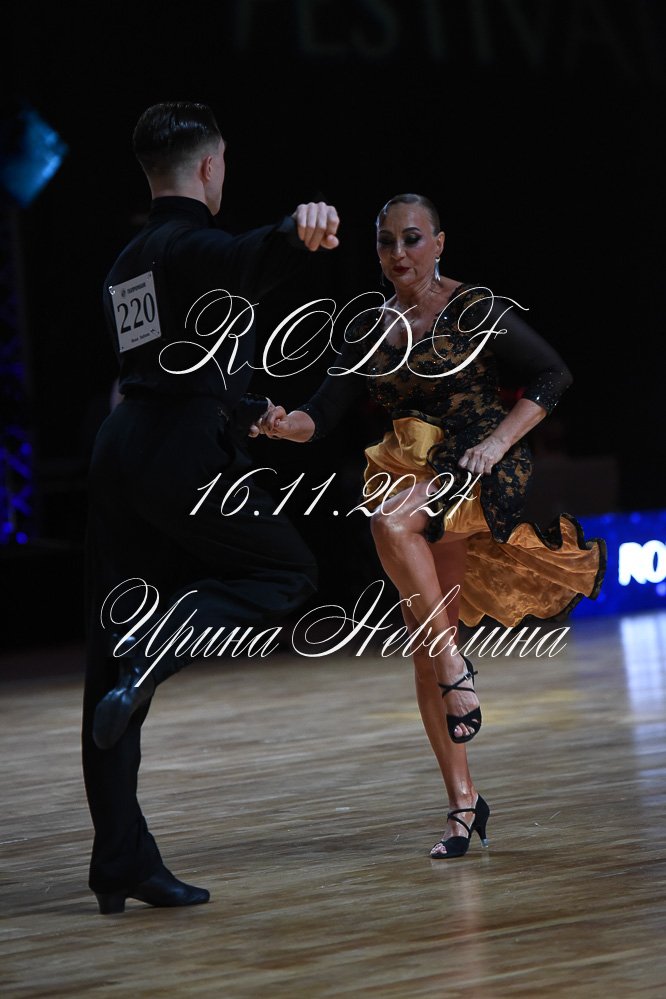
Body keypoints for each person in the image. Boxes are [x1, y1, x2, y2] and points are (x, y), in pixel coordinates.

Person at [255, 192, 606, 861]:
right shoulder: (369, 325)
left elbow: (552, 374)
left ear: (439, 243)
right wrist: (276, 423)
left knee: (391, 525)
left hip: (476, 465)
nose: (398, 253)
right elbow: (316, 418)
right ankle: (463, 804)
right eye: (386, 241)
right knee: (424, 637)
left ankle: (454, 664)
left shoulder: (472, 308)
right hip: (412, 471)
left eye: (412, 239)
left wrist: (498, 443)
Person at [82, 101, 341, 914]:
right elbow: (243, 259)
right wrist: (297, 229)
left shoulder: (126, 262)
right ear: (208, 165)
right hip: (176, 448)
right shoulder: (194, 244)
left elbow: (168, 360)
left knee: (111, 669)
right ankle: (163, 643)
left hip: (121, 446)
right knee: (286, 573)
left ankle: (120, 862)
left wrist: (245, 406)